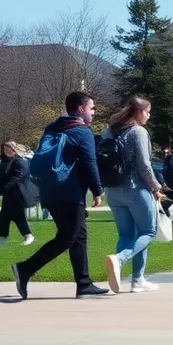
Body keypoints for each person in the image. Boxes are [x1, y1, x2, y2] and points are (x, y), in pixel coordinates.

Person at [12, 92, 108, 299]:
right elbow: (90, 163)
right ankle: (25, 269)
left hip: (49, 192)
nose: (94, 112)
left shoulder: (52, 127)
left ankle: (84, 283)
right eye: (92, 108)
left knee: (78, 237)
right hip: (70, 194)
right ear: (81, 109)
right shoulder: (83, 132)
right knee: (67, 237)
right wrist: (98, 190)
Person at [101, 96, 163, 294]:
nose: (149, 115)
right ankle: (121, 262)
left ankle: (135, 278)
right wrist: (156, 187)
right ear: (138, 112)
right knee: (148, 232)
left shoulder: (110, 131)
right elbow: (144, 165)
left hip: (112, 190)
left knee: (126, 234)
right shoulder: (138, 132)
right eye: (147, 111)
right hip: (135, 189)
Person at [0, 141, 35, 247]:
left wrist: (6, 188)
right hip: (8, 194)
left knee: (18, 215)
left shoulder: (19, 161)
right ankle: (3, 238)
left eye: (9, 149)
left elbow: (18, 177)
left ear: (14, 149)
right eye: (5, 149)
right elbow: (0, 177)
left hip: (17, 193)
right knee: (4, 217)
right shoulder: (4, 162)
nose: (7, 151)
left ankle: (28, 236)